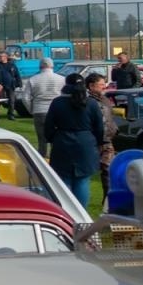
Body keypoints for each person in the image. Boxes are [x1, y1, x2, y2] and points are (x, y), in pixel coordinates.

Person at [46, 73, 105, 208]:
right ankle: (81, 212)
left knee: (64, 179)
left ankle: (66, 211)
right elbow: (99, 127)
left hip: (63, 141)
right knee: (82, 179)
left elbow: (48, 126)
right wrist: (98, 143)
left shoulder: (57, 102)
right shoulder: (91, 103)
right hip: (86, 143)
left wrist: (53, 139)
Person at [24, 58, 65, 159]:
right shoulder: (62, 79)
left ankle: (42, 158)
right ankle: (56, 158)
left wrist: (31, 109)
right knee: (56, 136)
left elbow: (25, 98)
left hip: (39, 110)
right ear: (52, 66)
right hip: (57, 111)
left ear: (40, 66)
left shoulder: (33, 79)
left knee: (41, 138)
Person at [88, 72, 119, 186]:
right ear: (91, 86)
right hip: (93, 141)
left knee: (109, 170)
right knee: (87, 172)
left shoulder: (104, 99)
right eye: (101, 84)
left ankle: (108, 195)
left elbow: (109, 117)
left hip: (107, 140)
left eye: (104, 84)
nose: (104, 86)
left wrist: (114, 129)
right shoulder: (87, 101)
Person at [0, 52, 23, 120]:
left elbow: (17, 75)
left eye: (1, 56)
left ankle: (11, 114)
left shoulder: (12, 65)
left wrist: (19, 83)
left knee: (12, 100)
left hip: (10, 85)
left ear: (6, 57)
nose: (0, 58)